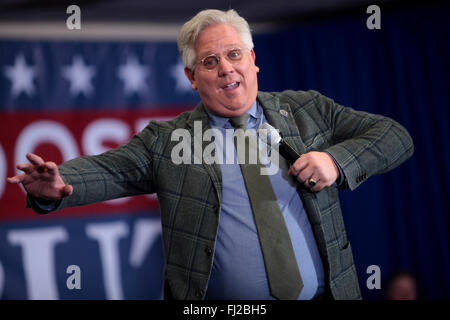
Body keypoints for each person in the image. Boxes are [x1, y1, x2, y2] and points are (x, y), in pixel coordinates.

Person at [7, 9, 414, 300]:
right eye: (210, 61)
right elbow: (107, 169)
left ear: (254, 60)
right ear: (191, 76)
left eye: (235, 55)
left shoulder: (307, 110)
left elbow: (394, 135)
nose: (226, 69)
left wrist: (336, 161)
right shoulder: (167, 140)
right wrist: (57, 186)